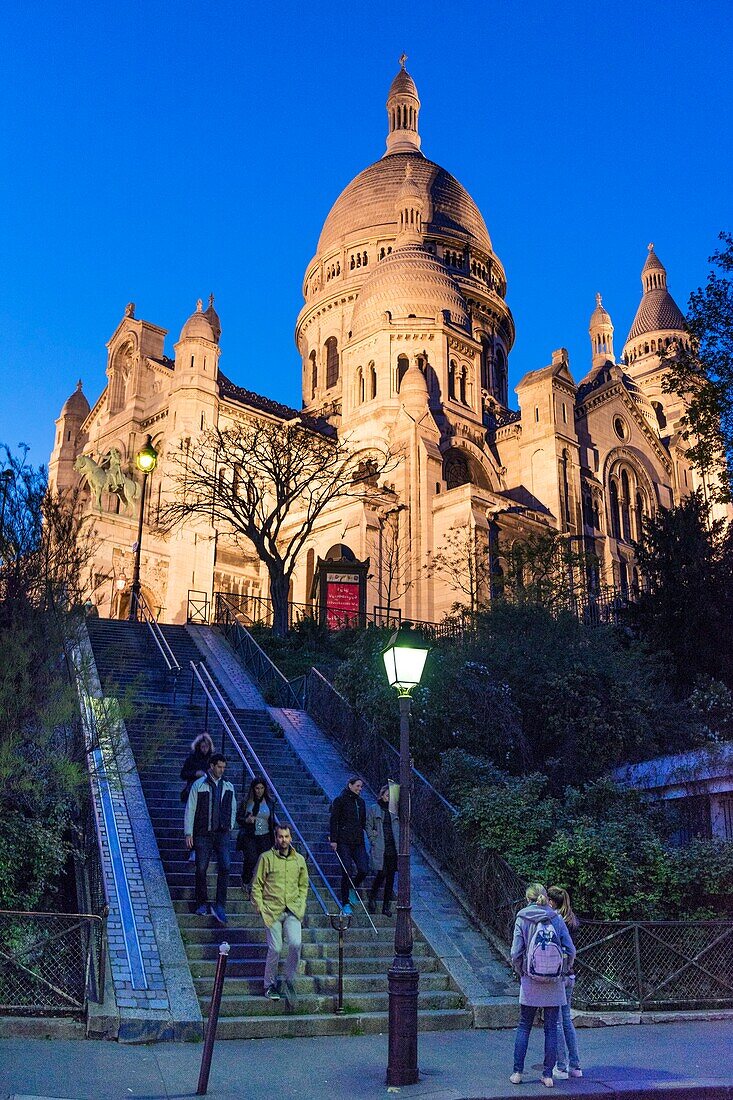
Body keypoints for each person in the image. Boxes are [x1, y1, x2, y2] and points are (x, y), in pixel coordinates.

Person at [509, 882, 576, 1088]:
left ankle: (518, 1073)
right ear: (545, 897)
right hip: (553, 982)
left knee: (524, 1026)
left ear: (527, 898)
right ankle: (547, 1075)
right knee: (550, 1029)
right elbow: (571, 950)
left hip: (530, 979)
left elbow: (515, 952)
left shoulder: (522, 917)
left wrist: (521, 971)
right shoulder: (555, 917)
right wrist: (562, 970)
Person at [251, 823, 309, 1007]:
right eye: (280, 837)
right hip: (272, 910)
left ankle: (289, 980)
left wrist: (301, 904)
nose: (283, 840)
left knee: (295, 943)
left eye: (286, 836)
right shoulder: (266, 858)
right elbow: (257, 884)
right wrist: (259, 906)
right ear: (275, 838)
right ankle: (269, 984)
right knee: (275, 948)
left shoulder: (299, 860)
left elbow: (303, 884)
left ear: (291, 838)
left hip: (292, 909)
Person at [184, 753, 236, 927]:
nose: (222, 770)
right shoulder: (199, 785)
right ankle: (202, 902)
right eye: (219, 766)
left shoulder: (228, 786)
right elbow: (190, 808)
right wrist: (188, 833)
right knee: (201, 868)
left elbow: (233, 806)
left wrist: (230, 825)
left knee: (226, 865)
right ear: (212, 766)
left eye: (223, 767)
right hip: (203, 833)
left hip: (222, 833)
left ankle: (220, 904)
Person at [548, 885, 583, 1080]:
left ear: (552, 902)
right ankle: (575, 1065)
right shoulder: (572, 919)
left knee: (558, 1023)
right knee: (567, 1020)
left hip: (559, 975)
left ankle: (560, 1067)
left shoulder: (556, 921)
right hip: (571, 974)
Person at [329, 776, 368, 915]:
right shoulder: (340, 800)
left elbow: (363, 822)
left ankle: (353, 887)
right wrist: (334, 839)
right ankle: (345, 902)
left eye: (361, 787)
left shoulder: (361, 802)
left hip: (358, 841)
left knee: (364, 869)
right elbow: (334, 820)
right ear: (350, 785)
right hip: (343, 840)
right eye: (358, 786)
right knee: (347, 870)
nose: (360, 789)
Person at [365, 783, 399, 916]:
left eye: (391, 796)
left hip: (393, 846)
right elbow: (368, 825)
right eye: (387, 795)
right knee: (382, 873)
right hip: (380, 846)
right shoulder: (374, 808)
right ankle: (372, 897)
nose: (389, 798)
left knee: (391, 877)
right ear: (382, 795)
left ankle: (386, 906)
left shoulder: (394, 810)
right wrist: (373, 839)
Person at [236, 775, 275, 887]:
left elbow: (271, 819)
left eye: (261, 788)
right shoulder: (246, 802)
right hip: (250, 835)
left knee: (264, 861)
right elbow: (238, 818)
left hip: (265, 835)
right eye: (257, 788)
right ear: (253, 788)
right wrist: (246, 820)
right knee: (251, 859)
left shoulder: (269, 802)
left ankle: (259, 885)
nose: (259, 791)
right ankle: (246, 879)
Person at [180, 732, 215, 803]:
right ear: (199, 747)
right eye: (203, 747)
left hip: (207, 790)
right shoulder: (192, 758)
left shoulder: (212, 759)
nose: (205, 749)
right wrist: (195, 773)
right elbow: (183, 774)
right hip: (193, 789)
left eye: (207, 746)